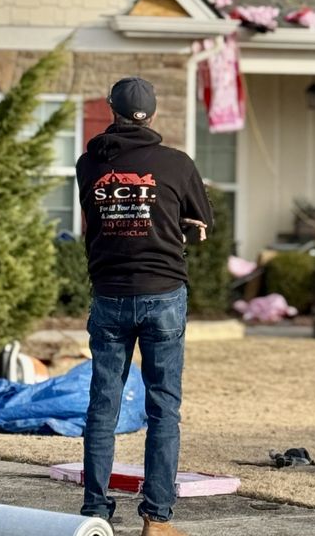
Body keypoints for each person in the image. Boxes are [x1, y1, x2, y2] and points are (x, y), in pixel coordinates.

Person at [76, 76, 213, 536]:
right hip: (163, 295)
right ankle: (156, 519)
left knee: (103, 406)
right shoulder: (176, 164)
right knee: (162, 409)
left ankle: (95, 511)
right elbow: (201, 219)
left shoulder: (88, 164)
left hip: (110, 296)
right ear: (152, 114)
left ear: (111, 110)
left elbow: (95, 220)